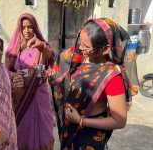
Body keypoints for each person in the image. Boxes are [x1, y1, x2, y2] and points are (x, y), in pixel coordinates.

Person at [27, 18, 139, 150]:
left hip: (89, 134)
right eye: (80, 41)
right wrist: (42, 47)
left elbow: (119, 121)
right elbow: (57, 58)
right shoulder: (80, 55)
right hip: (69, 127)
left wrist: (81, 120)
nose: (80, 47)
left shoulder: (112, 77)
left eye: (86, 46)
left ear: (105, 49)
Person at [5, 13, 55, 150]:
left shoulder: (42, 46)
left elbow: (54, 64)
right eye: (23, 27)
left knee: (43, 124)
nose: (27, 30)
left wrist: (47, 73)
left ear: (35, 28)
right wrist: (15, 75)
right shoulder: (14, 50)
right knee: (24, 126)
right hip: (21, 96)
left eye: (30, 27)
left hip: (40, 92)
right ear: (19, 29)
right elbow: (5, 71)